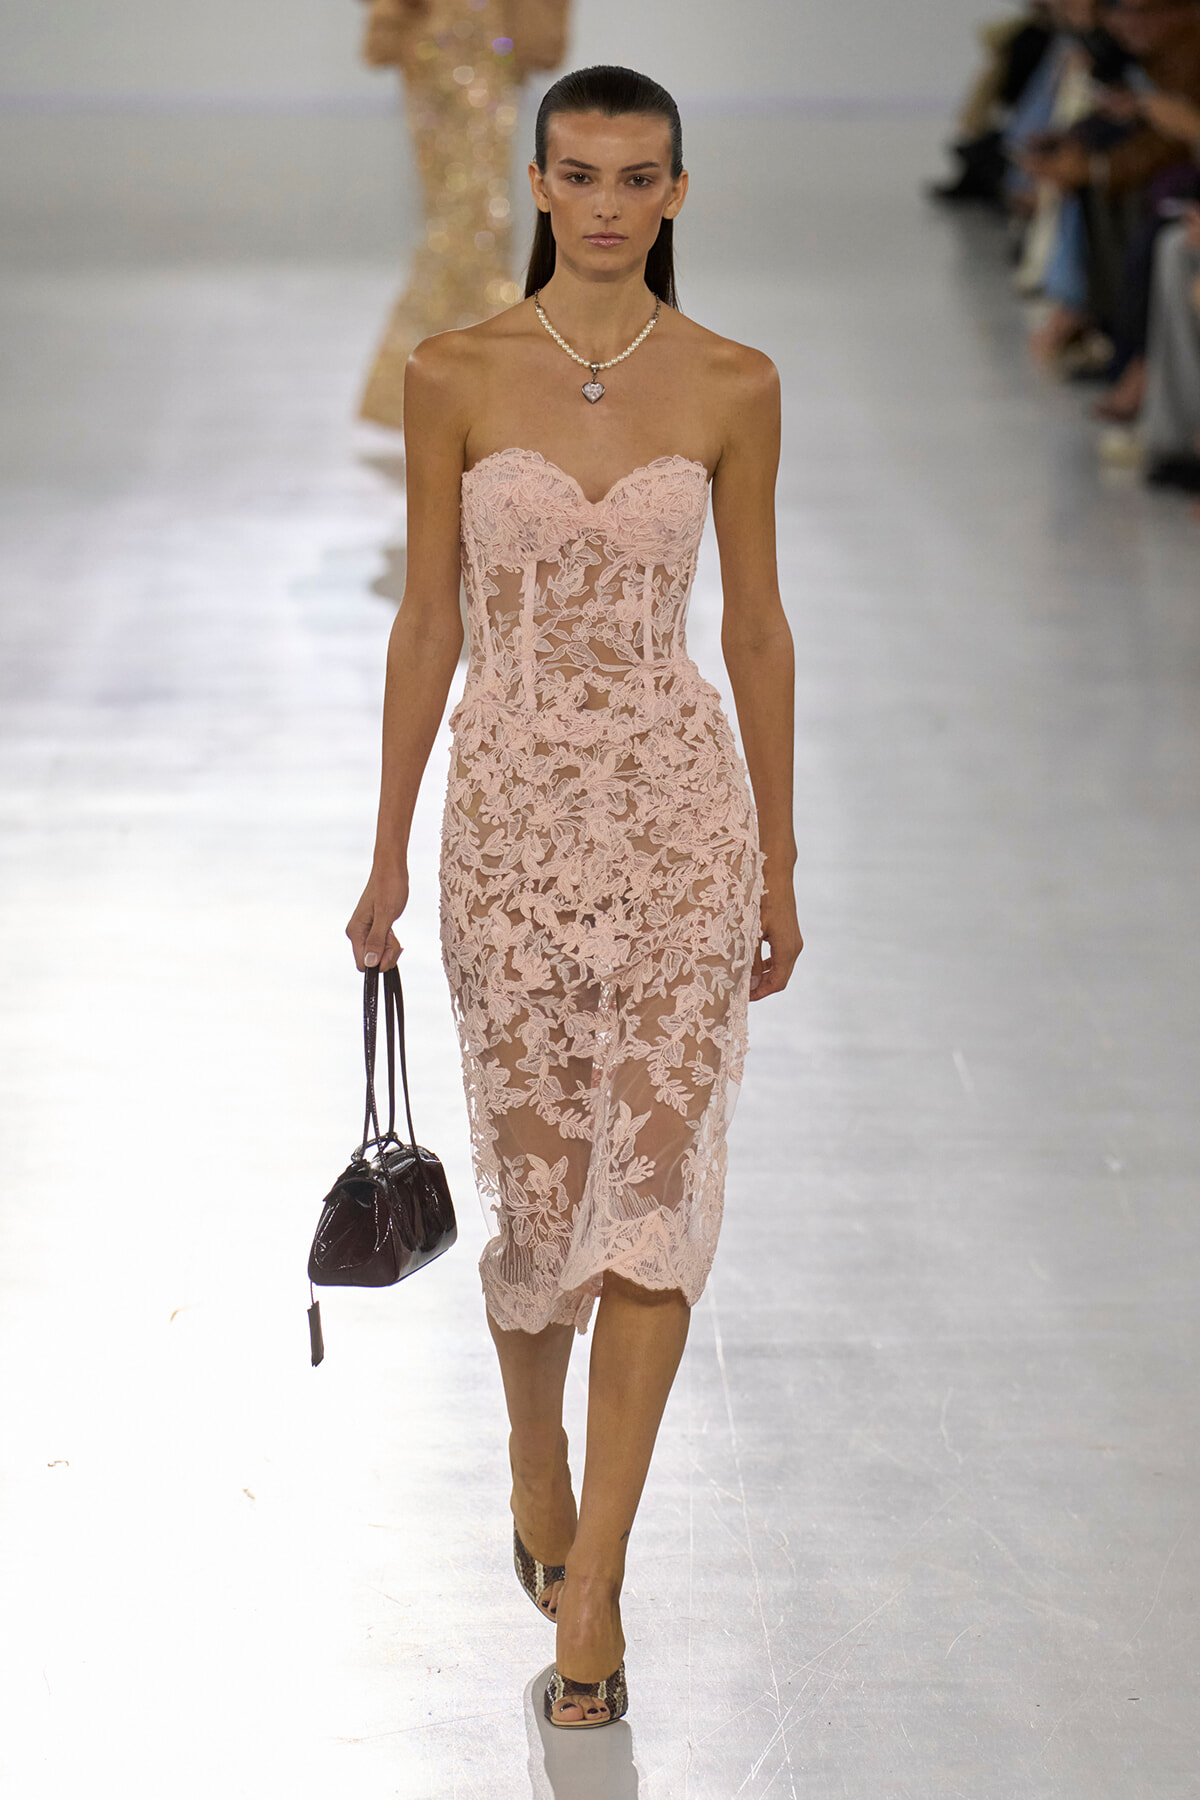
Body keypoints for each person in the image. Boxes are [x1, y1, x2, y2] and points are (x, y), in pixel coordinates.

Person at [346, 63, 802, 1729]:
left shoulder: (736, 383)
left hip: (682, 823)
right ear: (539, 183)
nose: (609, 200)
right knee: (541, 1219)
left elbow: (755, 628)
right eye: (583, 172)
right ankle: (533, 1449)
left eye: (640, 175)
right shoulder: (455, 372)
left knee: (658, 1203)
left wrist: (784, 855)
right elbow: (426, 627)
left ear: (676, 195)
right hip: (512, 823)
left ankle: (597, 1578)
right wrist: (390, 847)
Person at [356, 0, 571, 429]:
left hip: (488, 39)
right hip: (431, 38)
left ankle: (425, 382)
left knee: (472, 218)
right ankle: (500, 377)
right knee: (468, 219)